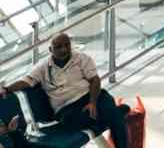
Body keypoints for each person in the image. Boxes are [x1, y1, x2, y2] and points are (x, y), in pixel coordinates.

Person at [0, 34, 130, 148]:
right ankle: (115, 112)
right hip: (68, 108)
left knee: (107, 108)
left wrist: (93, 102)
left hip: (91, 97)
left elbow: (95, 80)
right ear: (50, 49)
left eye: (67, 45)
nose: (64, 49)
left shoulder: (81, 58)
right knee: (111, 116)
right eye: (58, 46)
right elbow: (27, 81)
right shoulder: (43, 67)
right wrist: (7, 89)